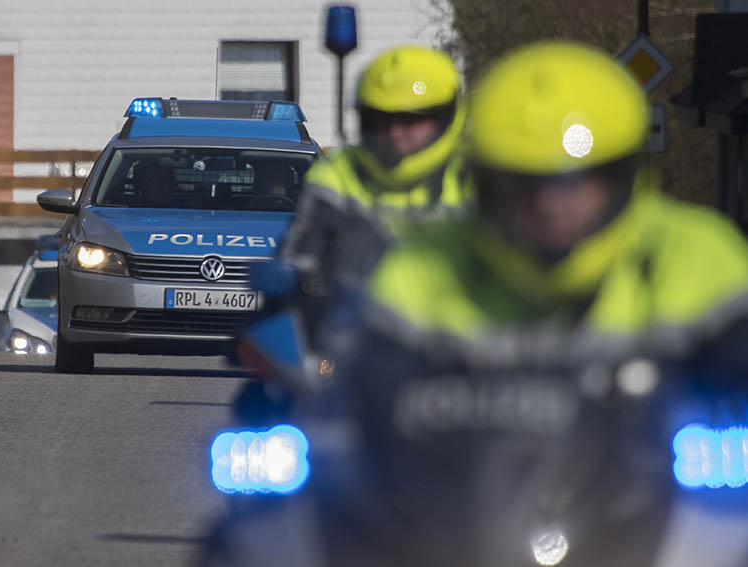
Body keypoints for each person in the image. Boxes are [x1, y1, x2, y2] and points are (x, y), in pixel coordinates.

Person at [209, 41, 748, 566]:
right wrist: (315, 389)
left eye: (575, 183)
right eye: (521, 185)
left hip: (636, 507)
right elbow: (360, 373)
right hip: (455, 508)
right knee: (257, 537)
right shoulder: (425, 264)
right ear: (484, 180)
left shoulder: (700, 256)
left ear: (625, 173)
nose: (549, 206)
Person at [235, 45, 471, 395]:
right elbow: (301, 249)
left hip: (453, 358)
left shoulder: (475, 180)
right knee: (262, 408)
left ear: (446, 116)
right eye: (381, 120)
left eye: (411, 120)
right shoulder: (339, 172)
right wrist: (288, 275)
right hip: (348, 353)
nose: (395, 134)